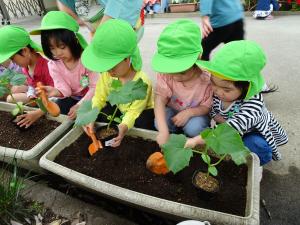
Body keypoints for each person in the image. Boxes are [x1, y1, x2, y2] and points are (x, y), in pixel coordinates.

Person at [185, 40, 288, 165]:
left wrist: (196, 140)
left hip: (252, 132)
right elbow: (214, 110)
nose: (217, 92)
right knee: (226, 146)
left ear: (246, 87)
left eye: (226, 89)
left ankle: (257, 163)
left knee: (255, 146)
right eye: (213, 83)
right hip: (229, 128)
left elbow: (232, 127)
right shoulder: (218, 92)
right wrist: (216, 117)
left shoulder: (253, 102)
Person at [16, 11, 98, 128]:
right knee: (60, 110)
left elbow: (96, 87)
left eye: (62, 47)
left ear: (73, 41)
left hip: (93, 96)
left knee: (96, 115)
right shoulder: (54, 65)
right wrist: (55, 91)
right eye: (52, 48)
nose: (57, 53)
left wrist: (81, 105)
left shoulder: (86, 60)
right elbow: (66, 90)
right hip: (73, 98)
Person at [82, 19, 154, 147]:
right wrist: (91, 116)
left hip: (140, 112)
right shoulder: (108, 75)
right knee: (102, 112)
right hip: (121, 109)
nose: (109, 70)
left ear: (128, 58)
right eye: (106, 65)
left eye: (112, 65)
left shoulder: (142, 82)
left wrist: (123, 127)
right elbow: (99, 97)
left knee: (142, 121)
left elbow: (134, 112)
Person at [151, 19, 213, 147]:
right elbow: (159, 101)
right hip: (173, 111)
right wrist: (163, 132)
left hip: (196, 115)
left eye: (182, 72)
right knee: (159, 122)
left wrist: (189, 113)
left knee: (194, 127)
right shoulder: (165, 73)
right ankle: (173, 135)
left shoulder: (206, 79)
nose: (175, 77)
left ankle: (193, 139)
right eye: (171, 71)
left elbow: (206, 107)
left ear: (198, 58)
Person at [0, 25, 53, 105]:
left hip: (50, 99)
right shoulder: (26, 67)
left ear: (25, 51)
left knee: (11, 98)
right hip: (37, 94)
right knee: (12, 95)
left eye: (13, 58)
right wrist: (30, 93)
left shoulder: (47, 67)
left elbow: (55, 93)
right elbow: (31, 85)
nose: (13, 63)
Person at [56, 0, 144, 40]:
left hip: (125, 21)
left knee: (123, 60)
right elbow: (67, 11)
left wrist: (99, 37)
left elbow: (115, 4)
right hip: (97, 26)